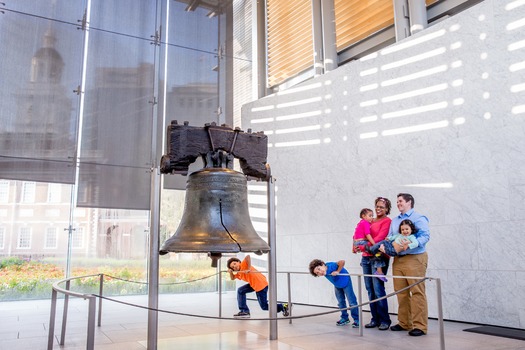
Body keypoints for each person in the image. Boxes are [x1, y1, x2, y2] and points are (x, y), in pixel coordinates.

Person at [387, 193, 430, 337]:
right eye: (397, 201)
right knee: (401, 292)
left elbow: (425, 236)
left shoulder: (419, 218)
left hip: (415, 257)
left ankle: (420, 326)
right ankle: (404, 323)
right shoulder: (394, 221)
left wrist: (410, 245)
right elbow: (391, 237)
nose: (398, 203)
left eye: (400, 201)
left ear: (409, 202)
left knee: (417, 291)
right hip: (398, 259)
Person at [361, 196, 392, 330]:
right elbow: (360, 235)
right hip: (366, 258)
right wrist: (360, 246)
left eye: (382, 207)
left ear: (387, 209)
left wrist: (363, 246)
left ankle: (385, 320)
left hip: (379, 258)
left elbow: (379, 239)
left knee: (378, 290)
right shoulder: (369, 220)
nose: (379, 209)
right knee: (370, 290)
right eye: (377, 206)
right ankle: (375, 319)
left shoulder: (387, 221)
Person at [308, 259, 360, 328]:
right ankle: (344, 318)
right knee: (340, 302)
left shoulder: (331, 266)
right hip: (337, 284)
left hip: (346, 281)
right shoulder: (324, 272)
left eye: (319, 269)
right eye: (317, 273)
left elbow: (342, 261)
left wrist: (337, 271)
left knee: (352, 301)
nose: (320, 272)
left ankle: (357, 319)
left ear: (323, 264)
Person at [353, 207, 387, 282]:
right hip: (361, 242)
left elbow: (354, 235)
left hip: (357, 242)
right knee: (377, 252)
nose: (372, 217)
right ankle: (379, 271)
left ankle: (364, 263)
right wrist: (374, 244)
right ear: (363, 216)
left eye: (372, 215)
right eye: (370, 215)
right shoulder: (366, 223)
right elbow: (368, 234)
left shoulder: (360, 223)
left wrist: (353, 247)